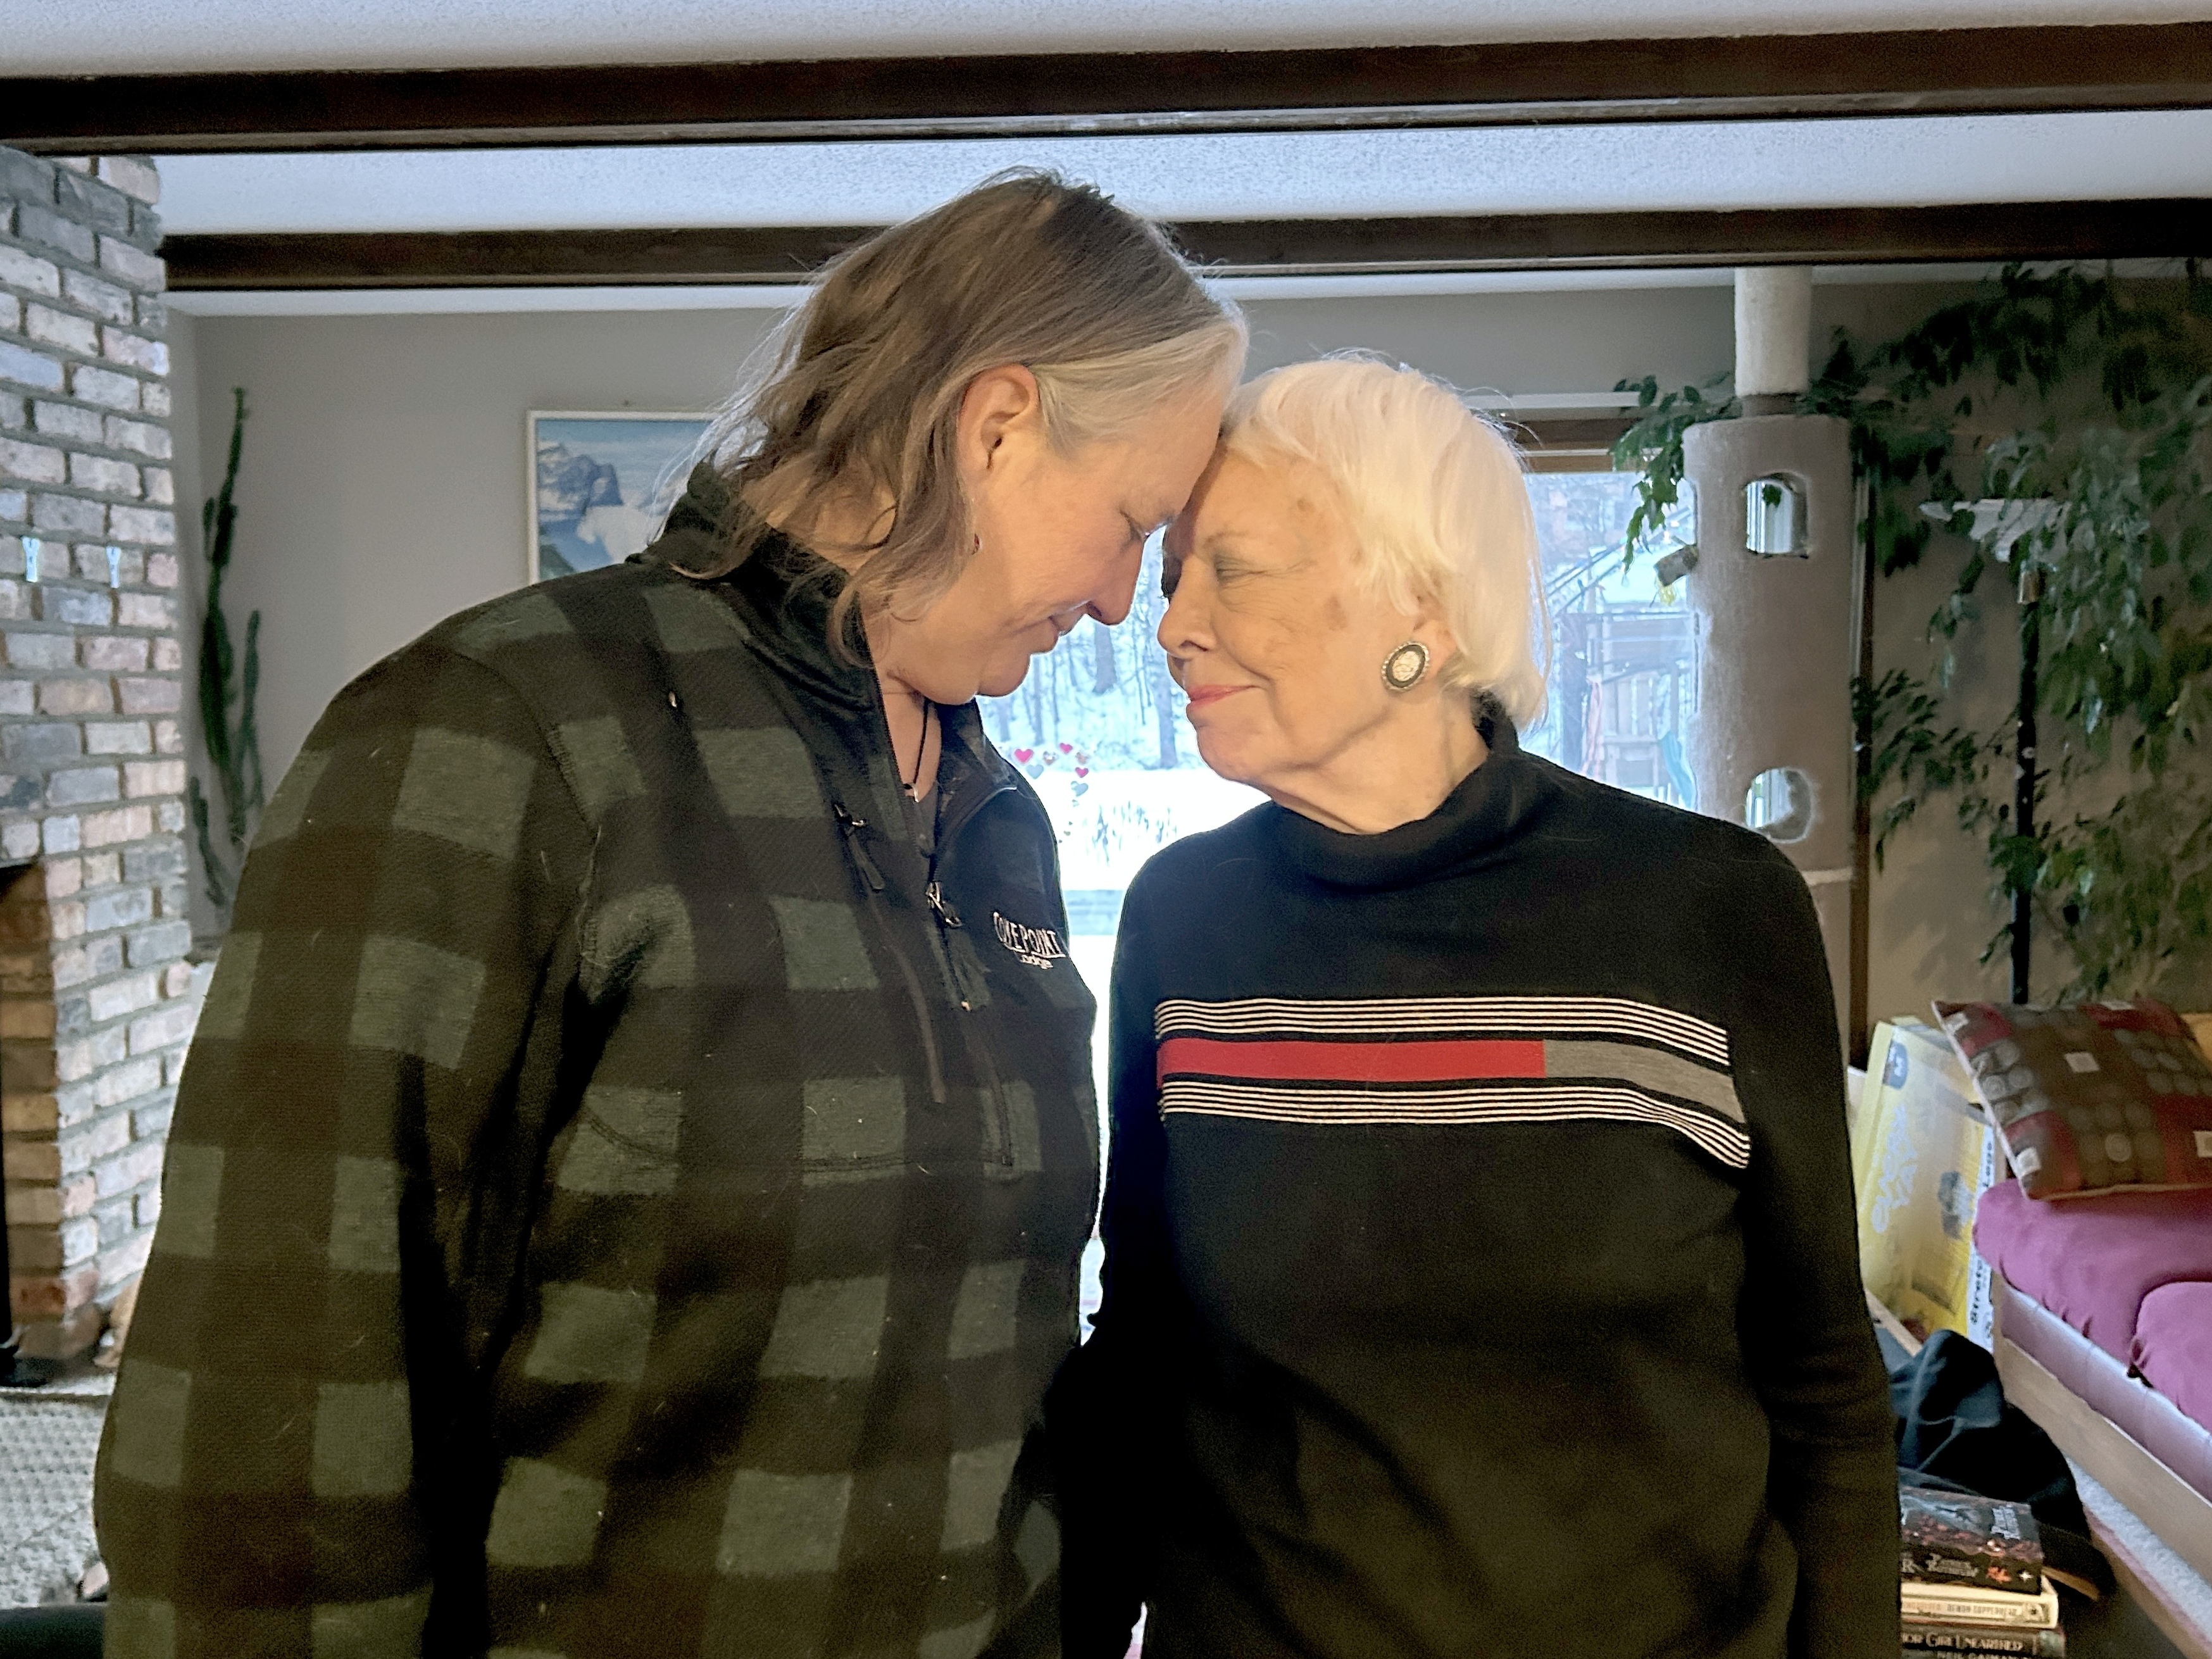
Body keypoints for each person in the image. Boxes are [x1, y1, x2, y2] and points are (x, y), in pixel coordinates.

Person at [96, 172, 1244, 1659]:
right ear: (997, 423)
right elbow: (267, 1417)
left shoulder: (995, 818)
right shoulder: (496, 734)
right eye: (1125, 525)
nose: (1115, 603)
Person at [1057, 358, 1897, 1659]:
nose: (1168, 626)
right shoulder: (1185, 919)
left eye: (1230, 568)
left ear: (1421, 606)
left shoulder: (1707, 908)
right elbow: (1145, 1348)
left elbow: (1823, 1386)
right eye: (1171, 578)